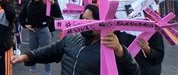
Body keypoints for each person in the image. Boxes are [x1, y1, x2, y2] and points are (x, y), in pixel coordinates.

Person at [11, 4, 140, 74]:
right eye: (82, 18)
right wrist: (25, 57)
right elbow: (50, 51)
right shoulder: (72, 39)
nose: (83, 23)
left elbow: (134, 72)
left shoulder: (110, 48)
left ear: (101, 23)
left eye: (88, 20)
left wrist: (121, 51)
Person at [19, 0, 62, 75]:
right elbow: (21, 16)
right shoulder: (29, 4)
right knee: (32, 53)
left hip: (44, 31)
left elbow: (58, 14)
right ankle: (32, 72)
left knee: (46, 53)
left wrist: (53, 3)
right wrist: (25, 25)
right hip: (32, 32)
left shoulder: (45, 3)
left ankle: (47, 73)